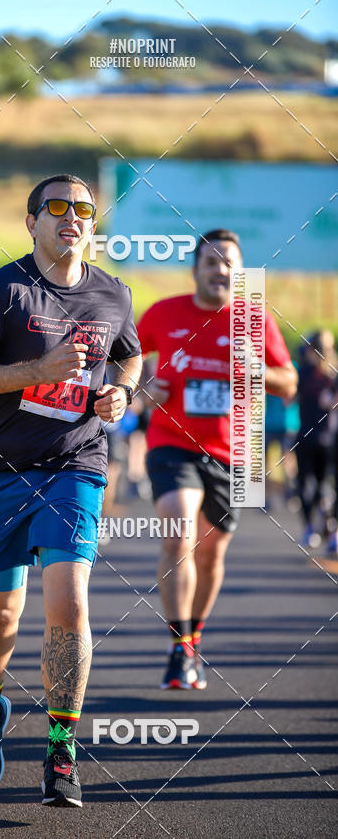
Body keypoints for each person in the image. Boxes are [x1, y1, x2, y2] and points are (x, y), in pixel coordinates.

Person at [0, 174, 142, 807]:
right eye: (56, 207)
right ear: (32, 223)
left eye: (83, 208)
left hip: (75, 465)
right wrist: (35, 371)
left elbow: (130, 356)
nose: (71, 216)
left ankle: (61, 751)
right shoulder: (5, 290)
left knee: (70, 601)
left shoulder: (113, 294)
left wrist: (122, 392)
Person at [137, 229, 297, 691]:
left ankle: (193, 641)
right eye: (211, 261)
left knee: (211, 555)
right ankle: (178, 646)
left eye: (229, 263)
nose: (220, 270)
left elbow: (289, 383)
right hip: (172, 441)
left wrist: (256, 369)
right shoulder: (163, 313)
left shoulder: (254, 320)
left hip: (237, 449)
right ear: (195, 270)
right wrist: (143, 387)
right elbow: (121, 358)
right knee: (178, 529)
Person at [294, 330, 337, 549]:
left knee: (305, 484)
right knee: (325, 484)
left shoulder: (303, 373)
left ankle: (311, 528)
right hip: (329, 439)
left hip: (306, 437)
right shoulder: (333, 374)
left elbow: (288, 399)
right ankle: (331, 529)